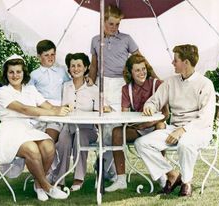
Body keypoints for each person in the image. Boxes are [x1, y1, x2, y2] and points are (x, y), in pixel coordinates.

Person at [135, 44, 216, 197]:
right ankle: (172, 175)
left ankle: (186, 182)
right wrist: (150, 107)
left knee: (185, 143)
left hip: (198, 130)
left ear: (186, 62)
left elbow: (205, 118)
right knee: (142, 144)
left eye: (176, 60)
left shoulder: (205, 84)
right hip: (174, 129)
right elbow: (154, 100)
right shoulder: (171, 82)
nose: (172, 63)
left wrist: (183, 130)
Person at [89, 4, 159, 180]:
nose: (114, 28)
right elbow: (94, 64)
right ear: (103, 21)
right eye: (111, 24)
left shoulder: (126, 39)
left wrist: (156, 78)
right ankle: (105, 166)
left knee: (116, 125)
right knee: (103, 127)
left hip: (120, 84)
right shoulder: (96, 40)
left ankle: (112, 168)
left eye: (117, 24)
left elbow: (140, 59)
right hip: (102, 85)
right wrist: (90, 80)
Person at [0, 54, 72, 201]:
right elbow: (24, 109)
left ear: (24, 73)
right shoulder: (2, 92)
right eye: (11, 72)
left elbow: (47, 105)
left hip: (28, 130)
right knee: (32, 149)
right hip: (10, 132)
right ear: (6, 74)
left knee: (49, 146)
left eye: (18, 71)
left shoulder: (30, 90)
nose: (15, 75)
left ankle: (38, 185)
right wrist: (53, 112)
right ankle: (48, 187)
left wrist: (63, 109)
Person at [105, 54, 169, 192]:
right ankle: (121, 179)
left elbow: (166, 114)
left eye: (143, 69)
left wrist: (147, 124)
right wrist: (133, 124)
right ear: (130, 72)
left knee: (161, 126)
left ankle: (162, 176)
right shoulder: (126, 89)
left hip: (154, 127)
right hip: (137, 128)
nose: (142, 73)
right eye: (137, 70)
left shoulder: (157, 84)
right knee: (116, 132)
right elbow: (124, 115)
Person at [50, 53, 111, 191]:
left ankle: (79, 178)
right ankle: (59, 179)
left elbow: (103, 108)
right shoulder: (65, 86)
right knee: (63, 140)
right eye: (73, 66)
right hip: (69, 126)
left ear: (86, 68)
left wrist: (104, 107)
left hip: (87, 129)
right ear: (69, 68)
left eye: (79, 65)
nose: (76, 68)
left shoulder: (93, 88)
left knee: (80, 137)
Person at [28, 40, 71, 142]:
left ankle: (51, 155)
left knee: (50, 138)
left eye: (53, 54)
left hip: (57, 111)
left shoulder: (61, 71)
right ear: (39, 56)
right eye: (46, 55)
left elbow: (70, 86)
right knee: (37, 139)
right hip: (41, 111)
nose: (50, 57)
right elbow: (29, 94)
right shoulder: (34, 74)